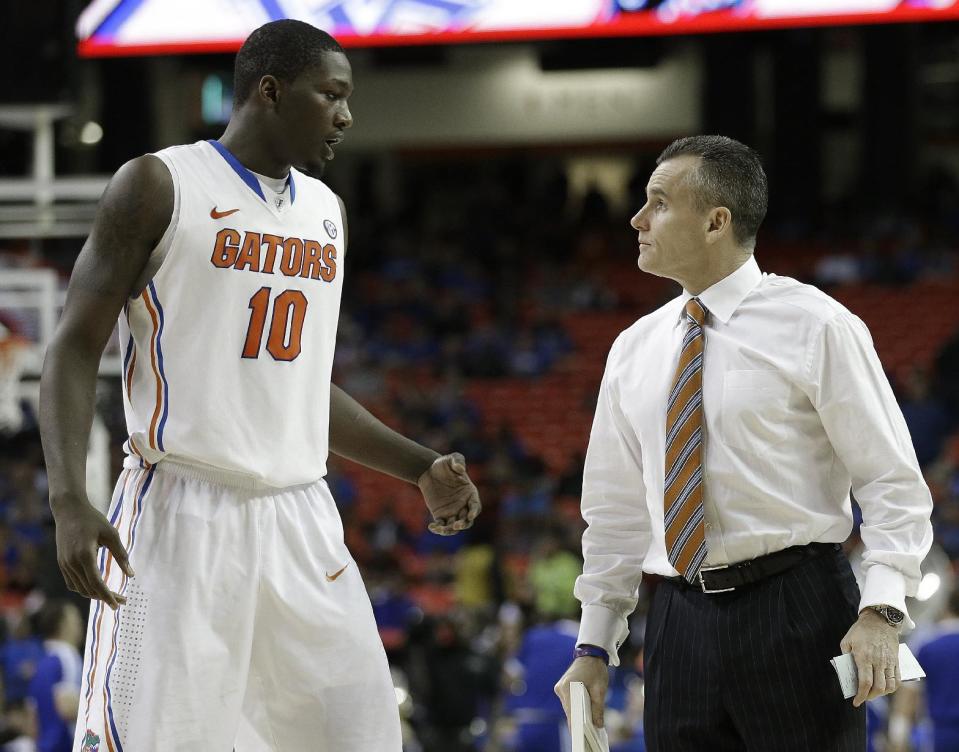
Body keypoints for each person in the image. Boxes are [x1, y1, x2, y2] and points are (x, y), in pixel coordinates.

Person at [38, 20, 480, 751]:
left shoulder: (326, 214)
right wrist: (67, 499)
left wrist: (419, 467)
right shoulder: (158, 183)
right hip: (183, 507)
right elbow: (73, 346)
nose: (346, 114)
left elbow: (303, 385)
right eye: (331, 94)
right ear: (269, 91)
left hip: (299, 514)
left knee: (360, 732)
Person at [554, 135, 933, 751]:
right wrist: (595, 645)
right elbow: (615, 512)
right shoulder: (633, 347)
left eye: (657, 202)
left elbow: (891, 481)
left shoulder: (818, 324)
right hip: (677, 619)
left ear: (716, 221)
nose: (636, 219)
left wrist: (882, 610)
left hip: (798, 607)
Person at [887, 583, 959, 752]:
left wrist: (897, 739)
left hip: (940, 736)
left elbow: (907, 697)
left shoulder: (927, 647)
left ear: (945, 607)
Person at [27, 600, 84, 752]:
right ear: (63, 625)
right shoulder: (67, 656)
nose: (81, 623)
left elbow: (32, 719)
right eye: (76, 619)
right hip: (65, 745)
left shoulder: (41, 662)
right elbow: (68, 707)